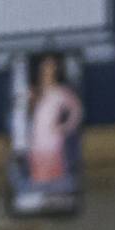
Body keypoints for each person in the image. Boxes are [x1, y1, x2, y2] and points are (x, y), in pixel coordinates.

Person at [26, 53, 83, 185]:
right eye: (45, 67)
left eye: (52, 67)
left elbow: (77, 110)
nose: (48, 71)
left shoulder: (61, 92)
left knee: (53, 176)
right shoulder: (33, 91)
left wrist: (64, 127)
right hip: (35, 141)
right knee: (38, 176)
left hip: (52, 140)